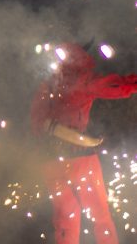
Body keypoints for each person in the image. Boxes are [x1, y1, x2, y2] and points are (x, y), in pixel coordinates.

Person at [29, 43, 137, 244]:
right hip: (80, 158)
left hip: (51, 161)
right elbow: (112, 86)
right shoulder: (80, 79)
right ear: (81, 57)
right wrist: (133, 83)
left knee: (65, 218)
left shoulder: (48, 83)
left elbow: (35, 121)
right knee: (100, 215)